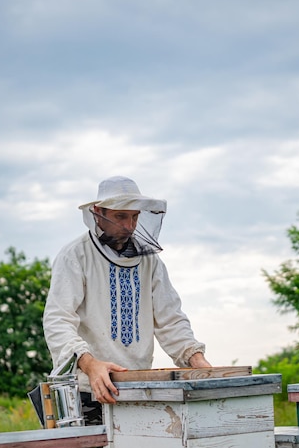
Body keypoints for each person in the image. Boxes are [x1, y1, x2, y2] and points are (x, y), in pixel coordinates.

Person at [43, 175, 211, 425]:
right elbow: (58, 321)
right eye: (121, 217)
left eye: (134, 217)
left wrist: (197, 361)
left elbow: (170, 320)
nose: (129, 226)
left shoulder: (150, 262)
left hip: (139, 391)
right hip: (88, 394)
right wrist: (90, 365)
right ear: (98, 212)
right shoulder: (75, 256)